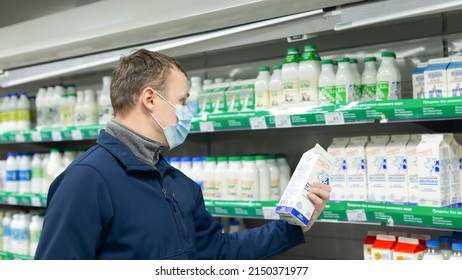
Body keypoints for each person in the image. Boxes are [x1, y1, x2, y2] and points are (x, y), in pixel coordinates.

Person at [35, 49, 331, 260]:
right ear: (150, 99)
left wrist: (292, 227)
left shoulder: (177, 185)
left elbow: (219, 253)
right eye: (182, 101)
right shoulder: (86, 180)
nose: (188, 113)